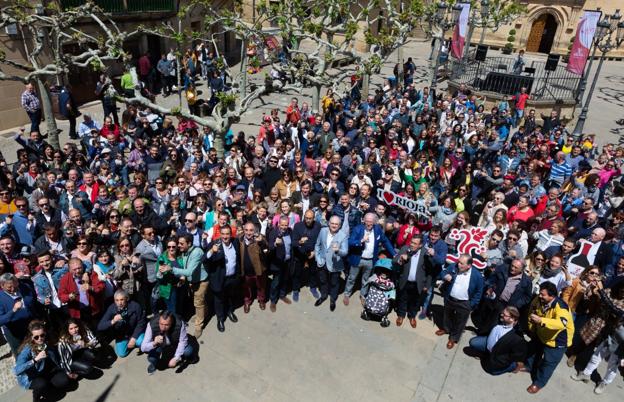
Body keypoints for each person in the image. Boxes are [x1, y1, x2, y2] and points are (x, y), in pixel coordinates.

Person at [524, 281, 574, 394]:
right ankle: (529, 367)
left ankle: (539, 383)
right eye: (540, 293)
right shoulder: (539, 299)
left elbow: (561, 324)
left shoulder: (562, 307)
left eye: (543, 294)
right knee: (533, 351)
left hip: (557, 341)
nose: (539, 295)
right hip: (541, 333)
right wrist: (532, 329)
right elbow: (532, 311)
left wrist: (541, 320)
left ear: (552, 296)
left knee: (548, 362)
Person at [344, 212, 396, 306]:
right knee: (352, 278)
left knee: (366, 279)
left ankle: (363, 295)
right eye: (367, 221)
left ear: (375, 222)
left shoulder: (377, 229)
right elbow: (350, 242)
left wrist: (394, 254)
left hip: (370, 260)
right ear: (363, 220)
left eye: (371, 222)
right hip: (358, 258)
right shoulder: (358, 229)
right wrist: (361, 241)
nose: (368, 224)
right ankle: (347, 294)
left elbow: (385, 241)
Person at [436, 254, 484, 349]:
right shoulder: (453, 266)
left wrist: (471, 304)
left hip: (464, 303)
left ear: (469, 265)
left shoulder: (477, 276)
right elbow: (443, 272)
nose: (459, 265)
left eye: (462, 263)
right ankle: (446, 329)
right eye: (459, 262)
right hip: (450, 298)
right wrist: (445, 275)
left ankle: (453, 338)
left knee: (460, 322)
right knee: (447, 315)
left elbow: (479, 292)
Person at [14, 320, 71, 401]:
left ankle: (48, 388)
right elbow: (17, 370)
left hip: (48, 372)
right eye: (36, 337)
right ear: (31, 337)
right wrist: (35, 360)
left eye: (42, 335)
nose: (40, 339)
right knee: (42, 385)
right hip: (34, 376)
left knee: (63, 381)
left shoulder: (47, 342)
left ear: (45, 334)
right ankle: (36, 397)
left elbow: (58, 355)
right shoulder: (27, 349)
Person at [467, 306, 528, 375]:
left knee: (493, 371)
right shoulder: (500, 319)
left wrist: (499, 360)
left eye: (504, 315)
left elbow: (514, 355)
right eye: (502, 313)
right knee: (473, 342)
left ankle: (514, 367)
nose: (501, 315)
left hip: (499, 354)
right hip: (488, 344)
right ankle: (486, 354)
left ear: (512, 319)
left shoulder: (516, 337)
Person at [171, 234, 207, 337]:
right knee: (200, 301)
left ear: (189, 244)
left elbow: (189, 271)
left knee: (198, 303)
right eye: (178, 243)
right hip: (193, 281)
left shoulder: (197, 252)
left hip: (201, 281)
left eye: (181, 244)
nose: (179, 246)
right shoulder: (185, 251)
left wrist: (171, 269)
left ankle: (199, 326)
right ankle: (204, 313)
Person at [205, 225, 240, 332]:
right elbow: (204, 259)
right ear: (220, 234)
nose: (225, 236)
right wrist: (211, 251)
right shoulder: (214, 244)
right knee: (219, 299)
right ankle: (220, 318)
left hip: (232, 277)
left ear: (231, 234)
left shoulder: (235, 242)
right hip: (219, 278)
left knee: (230, 296)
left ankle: (229, 311)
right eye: (223, 234)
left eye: (227, 234)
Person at [97, 289, 146, 358]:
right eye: (117, 300)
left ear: (126, 299)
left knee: (141, 343)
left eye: (122, 300)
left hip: (134, 331)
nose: (119, 303)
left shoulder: (135, 306)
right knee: (122, 354)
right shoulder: (112, 308)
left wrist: (134, 338)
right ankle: (129, 343)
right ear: (114, 301)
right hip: (122, 335)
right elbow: (100, 326)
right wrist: (113, 321)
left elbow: (141, 322)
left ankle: (134, 342)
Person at [314, 216, 348, 311]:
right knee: (323, 281)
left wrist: (338, 251)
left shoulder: (343, 235)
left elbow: (345, 252)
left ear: (339, 225)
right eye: (332, 223)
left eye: (336, 224)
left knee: (334, 283)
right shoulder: (323, 231)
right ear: (329, 223)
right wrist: (318, 258)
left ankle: (333, 300)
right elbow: (317, 245)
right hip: (323, 262)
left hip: (335, 264)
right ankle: (323, 296)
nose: (334, 225)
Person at [393, 234, 426, 328]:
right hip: (405, 280)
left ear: (420, 245)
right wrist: (400, 259)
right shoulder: (405, 249)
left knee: (415, 301)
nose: (411, 244)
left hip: (418, 283)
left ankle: (412, 316)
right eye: (411, 242)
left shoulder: (425, 252)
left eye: (415, 243)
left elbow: (429, 270)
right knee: (402, 298)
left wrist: (426, 285)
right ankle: (401, 315)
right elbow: (394, 261)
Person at [0, 272, 36, 355]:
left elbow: (34, 302)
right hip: (14, 332)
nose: (13, 289)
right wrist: (13, 310)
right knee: (21, 354)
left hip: (31, 325)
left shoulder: (25, 288)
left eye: (15, 286)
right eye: (9, 287)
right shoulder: (1, 298)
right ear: (2, 286)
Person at [291, 209, 322, 301]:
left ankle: (313, 287)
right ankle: (296, 289)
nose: (308, 220)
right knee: (297, 273)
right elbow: (293, 242)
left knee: (313, 272)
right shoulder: (298, 226)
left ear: (314, 218)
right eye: (306, 218)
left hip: (312, 253)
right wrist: (300, 242)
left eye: (310, 218)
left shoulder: (318, 226)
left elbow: (320, 241)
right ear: (304, 217)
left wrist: (315, 252)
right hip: (300, 253)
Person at [239, 222, 268, 313]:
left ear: (255, 230)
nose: (248, 232)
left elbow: (267, 249)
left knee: (261, 286)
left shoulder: (260, 238)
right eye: (246, 230)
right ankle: (247, 301)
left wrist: (262, 243)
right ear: (244, 230)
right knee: (246, 288)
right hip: (245, 271)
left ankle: (261, 300)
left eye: (251, 230)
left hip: (258, 270)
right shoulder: (239, 239)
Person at [267, 216, 293, 311]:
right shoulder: (273, 233)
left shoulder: (289, 231)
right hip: (277, 262)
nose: (284, 227)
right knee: (276, 282)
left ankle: (282, 295)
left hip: (287, 261)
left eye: (286, 225)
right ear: (278, 224)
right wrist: (275, 244)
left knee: (285, 279)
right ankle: (273, 301)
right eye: (282, 225)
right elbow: (269, 248)